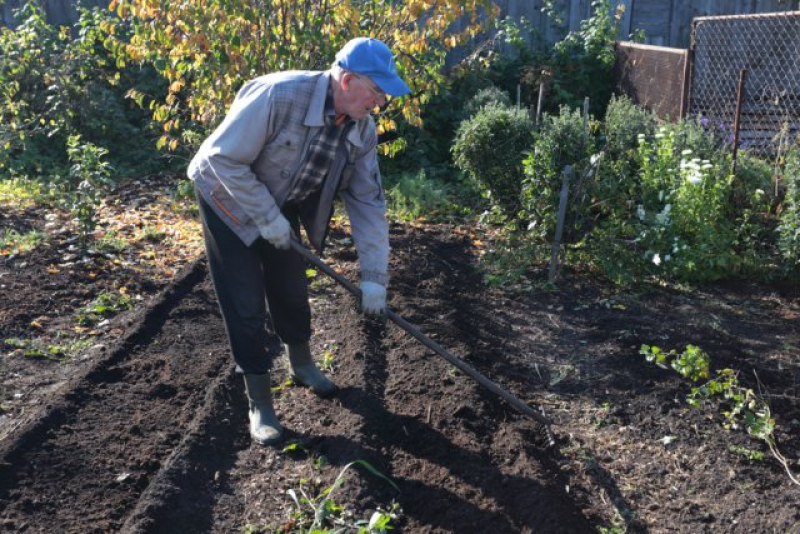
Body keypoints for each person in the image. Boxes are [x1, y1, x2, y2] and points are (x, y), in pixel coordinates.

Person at [187, 37, 410, 446]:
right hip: (227, 195)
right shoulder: (279, 95)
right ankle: (260, 403)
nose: (379, 101)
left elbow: (367, 202)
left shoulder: (362, 129)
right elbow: (219, 158)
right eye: (377, 90)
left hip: (279, 198)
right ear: (346, 80)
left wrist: (375, 276)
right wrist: (266, 217)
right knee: (246, 301)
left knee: (291, 286)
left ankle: (302, 364)